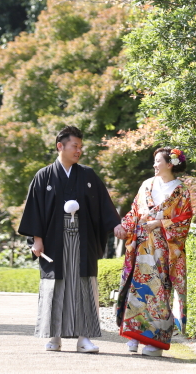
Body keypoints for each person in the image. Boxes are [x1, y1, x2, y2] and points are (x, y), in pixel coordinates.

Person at [18, 125, 121, 353]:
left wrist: (116, 225)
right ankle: (54, 337)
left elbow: (104, 205)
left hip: (82, 241)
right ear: (60, 146)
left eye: (81, 147)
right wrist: (37, 239)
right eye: (75, 146)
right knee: (57, 287)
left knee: (83, 287)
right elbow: (35, 210)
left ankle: (84, 338)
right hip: (54, 241)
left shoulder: (88, 175)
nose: (79, 151)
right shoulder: (43, 176)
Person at [113, 147, 194, 357]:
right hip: (140, 246)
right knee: (137, 289)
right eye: (155, 161)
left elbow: (184, 220)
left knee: (159, 293)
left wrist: (161, 222)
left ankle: (155, 342)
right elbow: (134, 211)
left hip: (164, 251)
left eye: (158, 161)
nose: (154, 165)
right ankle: (133, 336)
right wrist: (124, 226)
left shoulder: (181, 190)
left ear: (170, 164)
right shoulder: (146, 185)